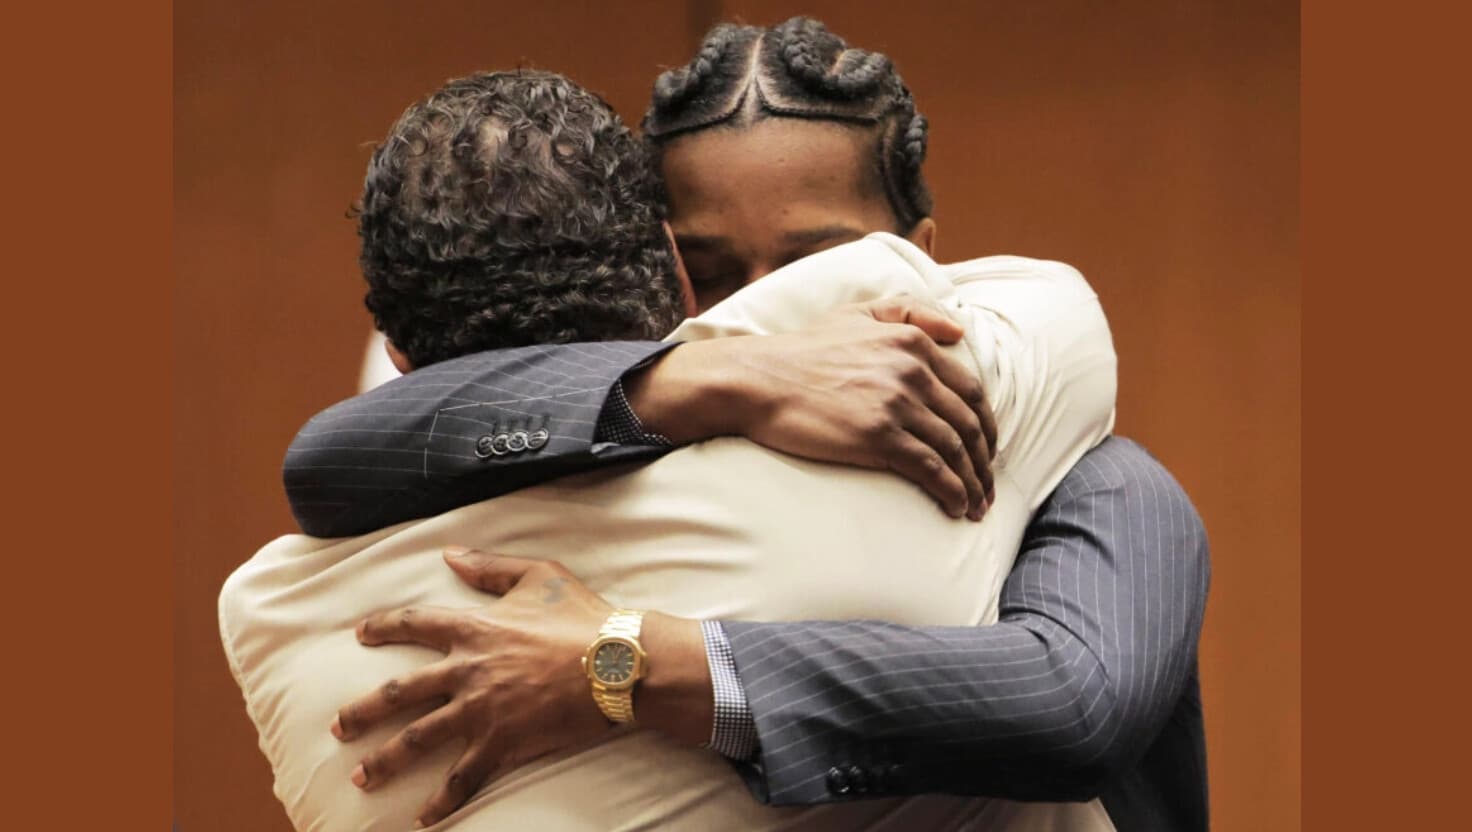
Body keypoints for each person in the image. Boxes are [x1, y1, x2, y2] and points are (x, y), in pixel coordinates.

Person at [286, 17, 1210, 832]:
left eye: (821, 264)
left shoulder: (1073, 468)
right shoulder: (620, 457)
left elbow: (1077, 706)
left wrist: (636, 666)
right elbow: (332, 457)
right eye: (714, 272)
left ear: (923, 257)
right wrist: (704, 377)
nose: (776, 312)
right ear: (658, 271)